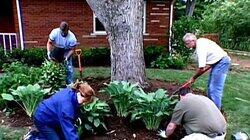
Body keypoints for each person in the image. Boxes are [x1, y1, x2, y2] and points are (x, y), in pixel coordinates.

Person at [24, 81, 95, 140]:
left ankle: (37, 135)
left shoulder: (72, 93)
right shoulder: (67, 106)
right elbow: (68, 129)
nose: (84, 104)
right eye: (84, 101)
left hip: (54, 118)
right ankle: (32, 138)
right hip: (43, 119)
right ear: (80, 93)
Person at [183, 33, 231, 109]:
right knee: (210, 87)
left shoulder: (200, 47)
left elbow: (201, 68)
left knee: (214, 89)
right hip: (218, 63)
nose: (186, 46)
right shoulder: (201, 41)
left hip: (222, 62)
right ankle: (210, 108)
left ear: (193, 41)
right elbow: (209, 64)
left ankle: (216, 113)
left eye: (187, 43)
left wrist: (193, 78)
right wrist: (195, 77)